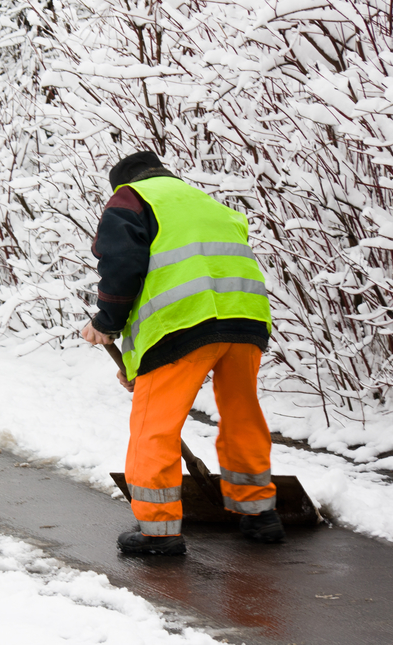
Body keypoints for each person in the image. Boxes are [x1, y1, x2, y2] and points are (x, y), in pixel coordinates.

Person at [80, 151, 284, 555]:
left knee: (155, 425)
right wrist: (136, 363)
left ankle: (160, 532)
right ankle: (260, 514)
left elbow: (122, 264)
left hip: (183, 323)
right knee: (241, 411)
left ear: (123, 182)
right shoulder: (206, 203)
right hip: (246, 319)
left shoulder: (130, 198)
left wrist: (105, 322)